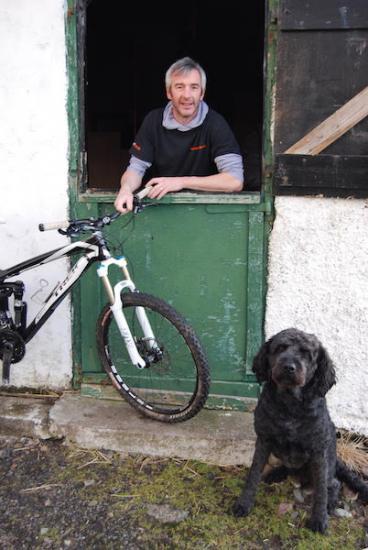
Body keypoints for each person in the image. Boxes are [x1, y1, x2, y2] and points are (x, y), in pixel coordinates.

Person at [114, 57, 244, 213]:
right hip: (158, 207)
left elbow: (235, 181)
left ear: (202, 93)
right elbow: (136, 168)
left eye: (194, 87)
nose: (187, 95)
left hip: (204, 210)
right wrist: (126, 189)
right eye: (180, 87)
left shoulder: (215, 124)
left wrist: (181, 182)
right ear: (169, 92)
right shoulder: (153, 121)